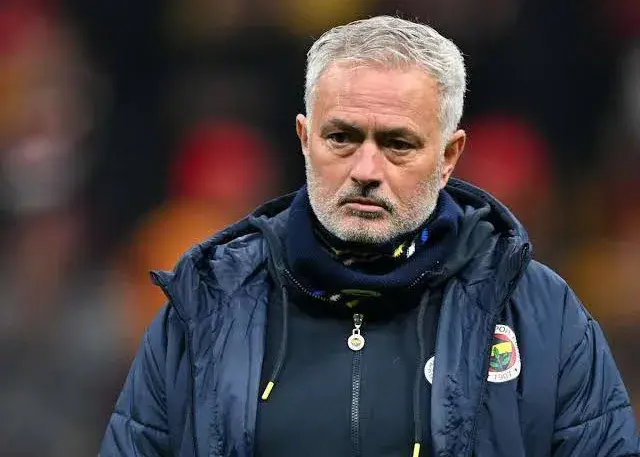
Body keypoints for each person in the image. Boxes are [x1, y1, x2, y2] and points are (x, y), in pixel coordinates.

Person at [99, 16, 640, 457]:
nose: (365, 169)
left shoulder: (541, 315)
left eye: (398, 144)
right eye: (341, 137)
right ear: (304, 138)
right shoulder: (207, 306)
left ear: (449, 156)